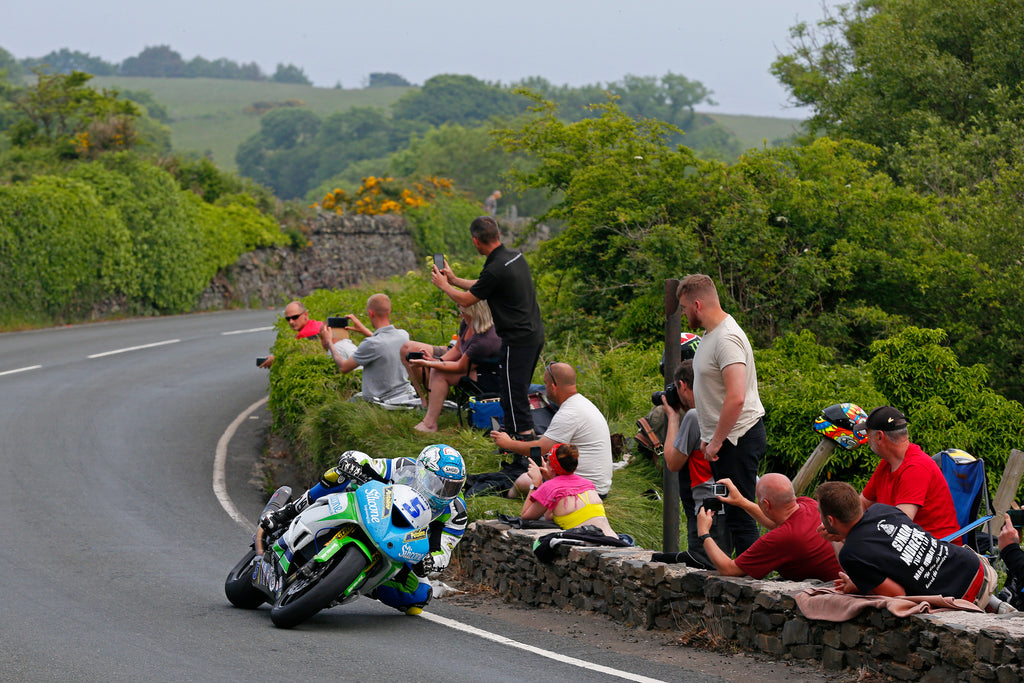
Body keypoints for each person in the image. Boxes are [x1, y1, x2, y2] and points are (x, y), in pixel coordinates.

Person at [260, 444, 468, 615]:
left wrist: (432, 562)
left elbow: (444, 549)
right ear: (421, 472)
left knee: (420, 596)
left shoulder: (456, 512)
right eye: (437, 483)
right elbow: (370, 463)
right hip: (368, 509)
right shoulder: (404, 467)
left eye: (451, 487)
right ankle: (286, 513)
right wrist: (353, 462)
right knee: (338, 475)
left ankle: (360, 581)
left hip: (399, 545)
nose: (442, 492)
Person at [431, 215, 544, 438]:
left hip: (517, 340)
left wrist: (444, 286)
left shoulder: (495, 267)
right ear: (498, 235)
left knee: (514, 396)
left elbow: (466, 300)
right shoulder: (513, 257)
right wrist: (454, 280)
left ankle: (525, 450)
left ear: (475, 241)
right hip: (533, 334)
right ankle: (515, 442)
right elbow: (485, 285)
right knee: (511, 391)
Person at [676, 274, 766, 555]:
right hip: (723, 440)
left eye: (684, 308)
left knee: (740, 515)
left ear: (697, 304)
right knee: (729, 510)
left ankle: (754, 584)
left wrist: (716, 440)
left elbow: (736, 396)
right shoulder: (710, 336)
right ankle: (738, 574)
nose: (683, 313)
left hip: (738, 440)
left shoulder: (727, 338)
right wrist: (709, 437)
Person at [815, 481, 997, 608]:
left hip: (964, 593)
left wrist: (858, 585)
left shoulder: (851, 555)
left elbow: (897, 595)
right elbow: (873, 543)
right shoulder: (882, 510)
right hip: (976, 565)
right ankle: (996, 605)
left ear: (830, 520)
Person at [491, 362, 613, 497]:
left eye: (546, 384)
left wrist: (507, 443)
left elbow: (540, 449)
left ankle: (508, 496)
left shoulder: (569, 413)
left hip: (584, 490)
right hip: (596, 486)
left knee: (524, 481)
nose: (545, 388)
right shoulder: (582, 404)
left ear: (554, 386)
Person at [690, 474, 842, 581]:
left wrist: (703, 532)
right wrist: (741, 501)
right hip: (846, 577)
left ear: (766, 504)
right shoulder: (809, 504)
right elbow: (776, 523)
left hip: (833, 591)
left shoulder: (781, 538)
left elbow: (729, 569)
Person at [856, 406, 961, 543]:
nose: (867, 439)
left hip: (935, 552)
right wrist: (842, 522)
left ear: (879, 436)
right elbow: (863, 503)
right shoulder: (887, 463)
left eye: (867, 433)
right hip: (904, 545)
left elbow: (899, 525)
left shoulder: (916, 467)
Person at [661, 358, 729, 563]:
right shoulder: (727, 409)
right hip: (732, 503)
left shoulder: (693, 416)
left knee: (704, 567)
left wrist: (673, 418)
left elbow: (672, 462)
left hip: (705, 509)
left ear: (682, 385)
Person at [400, 300, 501, 432]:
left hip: (492, 376)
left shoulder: (485, 340)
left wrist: (431, 364)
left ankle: (430, 424)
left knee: (440, 373)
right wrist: (438, 360)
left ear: (476, 314)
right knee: (438, 368)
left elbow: (460, 367)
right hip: (474, 367)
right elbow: (457, 350)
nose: (461, 316)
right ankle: (431, 407)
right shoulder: (467, 323)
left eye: (463, 313)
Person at [320, 293, 418, 406]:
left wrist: (329, 342)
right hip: (406, 394)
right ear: (389, 311)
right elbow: (384, 344)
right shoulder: (403, 335)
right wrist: (364, 330)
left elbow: (344, 367)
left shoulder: (370, 344)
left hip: (382, 402)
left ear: (370, 313)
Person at [520, 443, 617, 537]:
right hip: (613, 538)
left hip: (590, 542)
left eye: (547, 461)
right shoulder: (588, 484)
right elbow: (550, 516)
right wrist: (551, 479)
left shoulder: (549, 487)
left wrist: (536, 483)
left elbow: (526, 517)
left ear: (552, 466)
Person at [258, 301, 325, 368]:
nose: (291, 322)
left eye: (295, 317)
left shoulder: (304, 334)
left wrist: (275, 361)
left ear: (305, 314)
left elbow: (294, 359)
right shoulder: (319, 324)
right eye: (288, 319)